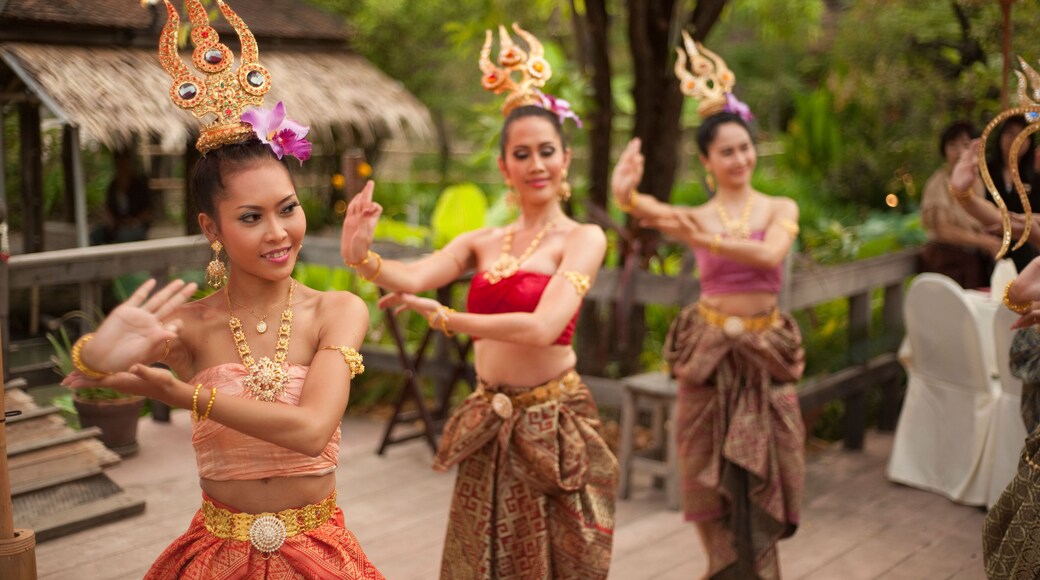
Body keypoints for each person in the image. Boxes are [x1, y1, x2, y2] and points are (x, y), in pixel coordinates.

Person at [62, 1, 383, 577]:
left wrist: (183, 396)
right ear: (211, 228)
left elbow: (313, 431)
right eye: (251, 218)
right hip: (216, 555)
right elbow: (98, 373)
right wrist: (99, 351)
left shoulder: (337, 310)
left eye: (288, 209)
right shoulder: (188, 324)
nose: (279, 232)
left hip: (320, 552)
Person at [339, 24, 617, 579]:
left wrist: (448, 319)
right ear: (503, 167)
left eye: (546, 151)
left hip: (552, 419)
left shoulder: (584, 238)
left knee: (559, 561)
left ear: (565, 159)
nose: (536, 163)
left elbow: (543, 327)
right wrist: (363, 257)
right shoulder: (483, 242)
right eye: (522, 153)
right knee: (484, 561)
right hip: (490, 415)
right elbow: (416, 274)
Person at [610, 32, 804, 579]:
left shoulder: (778, 206)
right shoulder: (696, 214)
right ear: (707, 160)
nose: (740, 158)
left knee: (769, 467)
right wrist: (624, 192)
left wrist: (705, 235)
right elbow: (644, 208)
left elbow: (770, 252)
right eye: (727, 151)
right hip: (708, 349)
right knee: (698, 463)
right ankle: (718, 564)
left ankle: (761, 569)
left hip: (766, 349)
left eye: (745, 147)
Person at [919, 121, 1000, 288]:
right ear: (944, 150)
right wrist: (983, 242)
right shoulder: (938, 183)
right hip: (946, 261)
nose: (959, 152)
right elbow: (943, 230)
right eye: (952, 145)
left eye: (965, 145)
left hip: (973, 261)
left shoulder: (977, 182)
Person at [90, 147, 155, 245]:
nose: (122, 167)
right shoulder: (113, 185)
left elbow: (148, 210)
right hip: (118, 225)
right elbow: (107, 207)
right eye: (119, 164)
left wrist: (134, 221)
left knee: (123, 235)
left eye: (124, 163)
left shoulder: (139, 185)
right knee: (96, 234)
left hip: (136, 225)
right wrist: (111, 220)